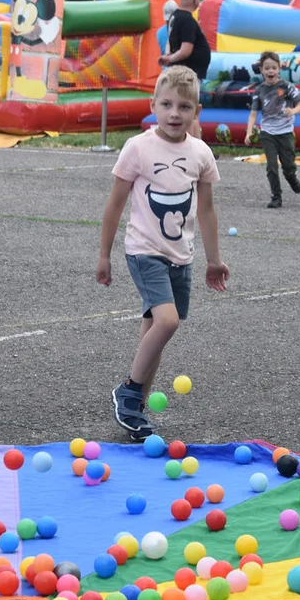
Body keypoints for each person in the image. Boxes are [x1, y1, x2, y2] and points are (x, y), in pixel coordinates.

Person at [96, 66, 229, 440]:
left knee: (153, 328)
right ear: (153, 104)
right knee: (166, 322)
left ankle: (135, 410)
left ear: (196, 111)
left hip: (180, 255)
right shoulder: (138, 148)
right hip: (144, 251)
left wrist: (213, 259)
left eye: (184, 107)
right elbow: (115, 204)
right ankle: (129, 392)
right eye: (166, 105)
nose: (174, 114)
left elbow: (205, 210)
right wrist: (104, 255)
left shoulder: (201, 153)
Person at [245, 51, 300, 209]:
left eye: (274, 67)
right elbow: (253, 114)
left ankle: (292, 178)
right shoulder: (259, 91)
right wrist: (248, 132)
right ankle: (276, 197)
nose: (270, 71)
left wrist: (293, 111)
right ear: (262, 70)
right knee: (271, 166)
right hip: (268, 133)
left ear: (279, 69)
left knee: (288, 166)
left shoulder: (286, 87)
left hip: (285, 132)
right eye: (267, 68)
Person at [159, 0, 211, 140]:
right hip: (190, 73)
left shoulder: (174, 18)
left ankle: (195, 144)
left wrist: (168, 55)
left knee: (188, 109)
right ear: (195, 1)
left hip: (185, 71)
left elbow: (170, 42)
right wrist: (170, 59)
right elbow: (186, 50)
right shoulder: (187, 20)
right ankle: (196, 145)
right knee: (191, 111)